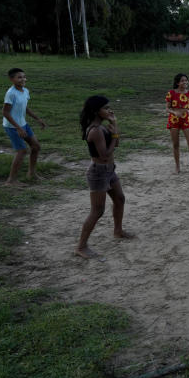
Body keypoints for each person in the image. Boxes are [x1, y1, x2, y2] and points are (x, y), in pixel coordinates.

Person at [75, 95, 133, 259]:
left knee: (120, 199)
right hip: (99, 172)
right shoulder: (95, 131)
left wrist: (115, 126)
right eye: (106, 108)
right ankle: (81, 246)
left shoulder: (103, 128)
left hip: (108, 170)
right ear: (96, 111)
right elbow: (105, 154)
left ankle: (118, 231)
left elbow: (116, 145)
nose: (110, 110)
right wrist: (114, 136)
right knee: (97, 210)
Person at [1, 67, 47, 185]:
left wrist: (37, 119)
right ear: (12, 79)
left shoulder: (25, 91)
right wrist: (18, 128)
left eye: (23, 77)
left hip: (23, 124)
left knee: (36, 146)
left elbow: (24, 107)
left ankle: (31, 173)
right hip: (12, 126)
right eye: (19, 77)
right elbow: (5, 112)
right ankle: (11, 180)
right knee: (22, 151)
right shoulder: (11, 93)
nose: (23, 79)